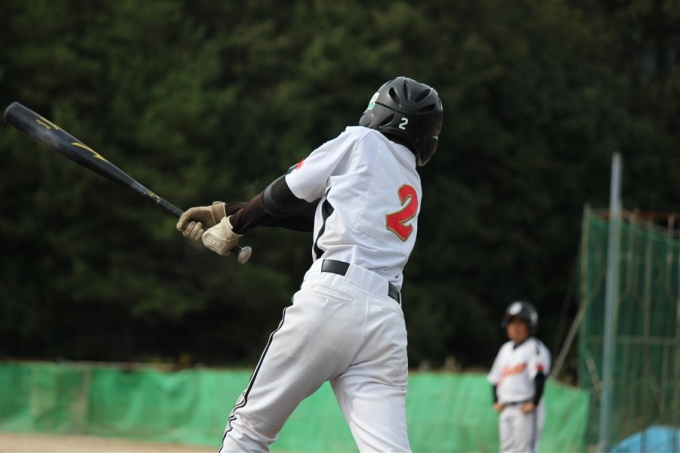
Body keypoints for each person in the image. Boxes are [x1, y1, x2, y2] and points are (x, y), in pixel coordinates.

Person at [176, 77, 443, 453]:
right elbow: (317, 212)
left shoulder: (361, 141)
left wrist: (234, 225)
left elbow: (287, 190)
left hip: (333, 299)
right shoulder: (410, 179)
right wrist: (224, 211)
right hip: (386, 322)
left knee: (250, 428)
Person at [487, 301, 551, 453]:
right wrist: (495, 400)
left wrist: (534, 402)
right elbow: (495, 377)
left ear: (530, 325)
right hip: (507, 408)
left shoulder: (534, 347)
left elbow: (539, 376)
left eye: (520, 322)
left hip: (525, 407)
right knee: (507, 450)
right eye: (511, 322)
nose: (515, 327)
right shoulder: (505, 349)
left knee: (525, 450)